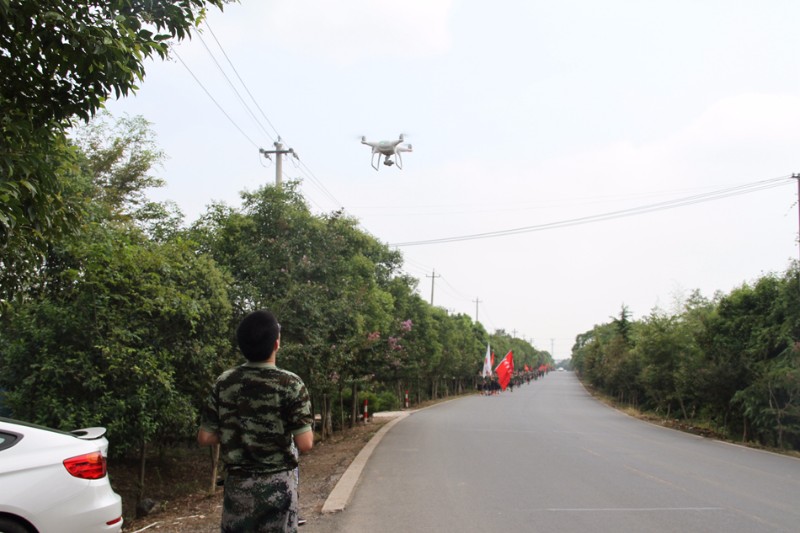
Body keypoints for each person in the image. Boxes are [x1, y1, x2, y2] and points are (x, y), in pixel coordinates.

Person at [198, 310, 313, 532]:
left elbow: (205, 437)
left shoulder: (224, 382)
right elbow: (305, 443)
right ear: (276, 344)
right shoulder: (291, 384)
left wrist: (239, 430)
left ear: (241, 345)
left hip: (238, 488)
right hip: (279, 488)